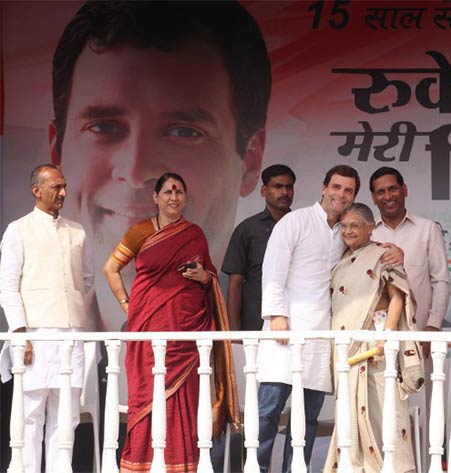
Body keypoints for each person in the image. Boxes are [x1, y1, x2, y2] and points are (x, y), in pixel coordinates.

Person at [48, 0, 270, 331]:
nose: (137, 173)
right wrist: (127, 304)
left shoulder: (263, 331)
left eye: (184, 132)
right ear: (58, 152)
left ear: (250, 160)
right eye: (104, 127)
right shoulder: (48, 332)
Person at [256, 165, 403, 472]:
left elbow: (367, 254)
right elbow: (273, 270)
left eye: (348, 190)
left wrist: (394, 251)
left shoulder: (346, 233)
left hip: (323, 336)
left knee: (307, 419)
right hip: (285, 331)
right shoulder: (296, 222)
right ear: (324, 187)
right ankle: (256, 468)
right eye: (336, 187)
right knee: (267, 412)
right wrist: (277, 315)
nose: (341, 194)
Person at [102, 172, 238, 473]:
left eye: (179, 192)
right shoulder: (139, 232)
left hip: (187, 332)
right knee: (147, 395)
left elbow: (210, 277)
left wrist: (204, 277)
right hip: (148, 328)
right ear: (156, 197)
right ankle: (142, 464)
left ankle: (183, 465)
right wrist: (128, 306)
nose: (174, 197)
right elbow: (111, 268)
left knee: (185, 399)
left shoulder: (195, 234)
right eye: (167, 192)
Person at [0, 164, 94, 473]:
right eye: (56, 187)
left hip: (72, 334)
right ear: (36, 190)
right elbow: (7, 287)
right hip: (36, 334)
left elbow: (87, 280)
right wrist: (21, 332)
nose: (63, 193)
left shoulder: (78, 231)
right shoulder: (19, 229)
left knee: (66, 415)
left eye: (65, 186)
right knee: (30, 413)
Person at [323, 203, 417, 473]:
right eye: (345, 226)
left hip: (375, 349)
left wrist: (386, 336)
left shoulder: (380, 254)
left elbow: (398, 294)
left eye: (356, 225)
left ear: (370, 228)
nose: (349, 231)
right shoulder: (341, 261)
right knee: (349, 417)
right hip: (347, 350)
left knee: (383, 415)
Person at [369, 167, 450, 352]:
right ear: (373, 198)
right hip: (377, 335)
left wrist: (433, 326)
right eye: (380, 192)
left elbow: (441, 281)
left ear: (404, 189)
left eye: (393, 189)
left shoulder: (428, 229)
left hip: (419, 332)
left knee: (422, 381)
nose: (388, 196)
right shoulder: (368, 233)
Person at [222, 164, 296, 331]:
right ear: (264, 191)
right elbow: (235, 283)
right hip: (255, 321)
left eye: (289, 187)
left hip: (296, 318)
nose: (284, 192)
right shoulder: (247, 230)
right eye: (278, 186)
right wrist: (233, 330)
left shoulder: (302, 226)